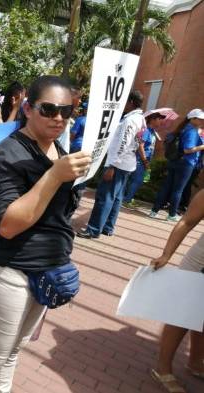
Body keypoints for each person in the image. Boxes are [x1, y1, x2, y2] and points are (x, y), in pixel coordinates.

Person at [0, 75, 91, 393]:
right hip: (10, 271)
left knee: (13, 352)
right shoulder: (7, 154)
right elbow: (8, 224)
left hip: (46, 269)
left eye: (66, 110)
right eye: (48, 109)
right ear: (29, 109)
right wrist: (54, 176)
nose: (58, 117)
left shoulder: (59, 151)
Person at [149, 189, 204, 393]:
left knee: (202, 317)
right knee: (182, 316)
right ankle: (163, 369)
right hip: (201, 263)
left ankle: (196, 363)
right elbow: (187, 222)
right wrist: (166, 255)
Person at [77, 91, 145, 239]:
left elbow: (123, 144)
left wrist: (112, 166)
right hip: (126, 164)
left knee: (105, 197)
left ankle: (93, 229)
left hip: (118, 164)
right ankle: (108, 227)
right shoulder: (140, 118)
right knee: (116, 197)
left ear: (131, 102)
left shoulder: (129, 120)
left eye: (125, 101)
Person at [149, 109, 204, 221]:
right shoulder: (192, 130)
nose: (202, 121)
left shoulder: (183, 128)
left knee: (166, 186)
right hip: (186, 163)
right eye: (200, 119)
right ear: (193, 119)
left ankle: (154, 211)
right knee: (178, 190)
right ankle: (172, 214)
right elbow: (188, 150)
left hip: (174, 161)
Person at [122, 111, 165, 208]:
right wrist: (145, 160)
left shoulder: (152, 131)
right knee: (137, 180)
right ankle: (126, 200)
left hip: (144, 160)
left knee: (135, 180)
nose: (160, 121)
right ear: (152, 120)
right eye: (159, 119)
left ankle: (127, 198)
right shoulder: (146, 130)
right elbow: (140, 146)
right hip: (140, 160)